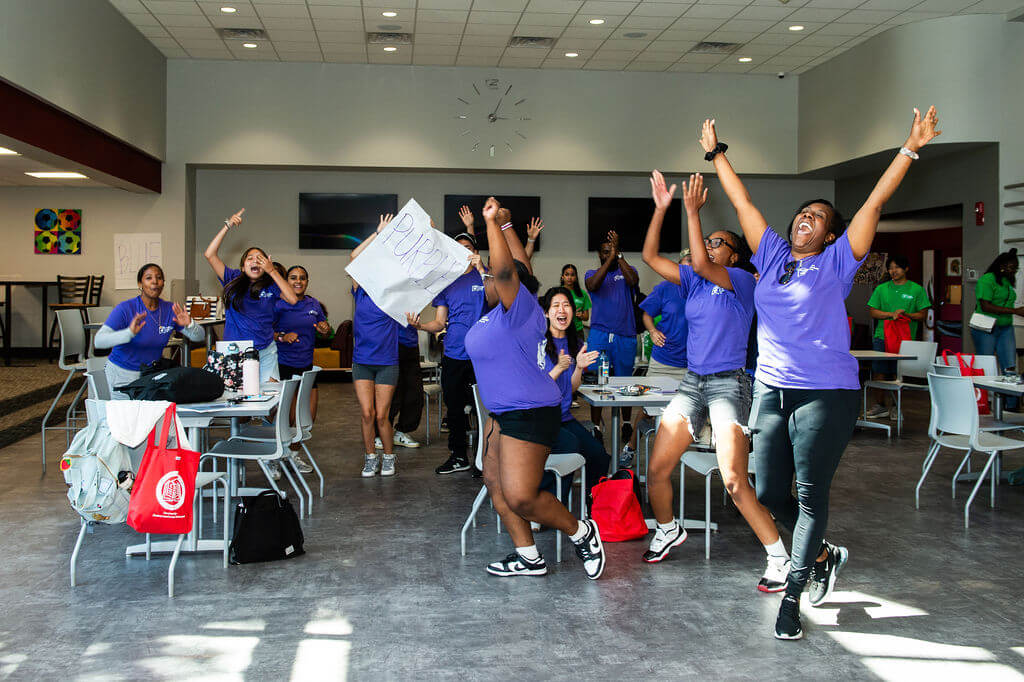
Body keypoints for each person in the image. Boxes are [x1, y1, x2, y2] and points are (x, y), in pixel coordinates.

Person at [702, 107, 942, 639]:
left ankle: (794, 595)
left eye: (817, 216)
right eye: (802, 213)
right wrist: (718, 155)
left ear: (832, 234)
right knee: (766, 492)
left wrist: (910, 146)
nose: (804, 219)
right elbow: (741, 202)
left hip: (825, 393)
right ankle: (825, 553)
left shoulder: (838, 261)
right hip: (770, 389)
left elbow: (875, 200)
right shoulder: (772, 252)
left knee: (810, 496)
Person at [641, 171, 788, 594]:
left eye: (718, 242)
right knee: (657, 468)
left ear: (735, 256)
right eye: (707, 241)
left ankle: (779, 556)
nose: (708, 247)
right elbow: (651, 255)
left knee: (734, 479)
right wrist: (662, 209)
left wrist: (692, 211)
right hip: (692, 382)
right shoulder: (693, 282)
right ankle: (668, 529)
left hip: (728, 384)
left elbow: (702, 262)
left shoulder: (742, 283)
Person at [465, 197, 605, 579]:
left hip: (530, 412)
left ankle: (582, 531)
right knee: (496, 487)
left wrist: (493, 224)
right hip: (501, 415)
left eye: (491, 276)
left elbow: (510, 271)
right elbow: (514, 269)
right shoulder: (491, 317)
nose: (487, 280)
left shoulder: (521, 309)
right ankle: (528, 556)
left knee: (522, 496)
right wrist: (509, 227)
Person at [408, 219, 488, 475]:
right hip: (453, 353)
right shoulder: (447, 282)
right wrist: (420, 326)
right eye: (459, 247)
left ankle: (484, 458)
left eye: (468, 247)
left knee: (482, 408)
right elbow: (440, 322)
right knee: (454, 410)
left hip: (482, 356)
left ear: (475, 251)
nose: (464, 251)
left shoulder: (486, 277)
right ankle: (458, 456)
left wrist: (483, 268)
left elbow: (498, 299)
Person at [204, 208, 298, 383]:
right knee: (238, 402)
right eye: (250, 258)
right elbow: (209, 254)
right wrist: (228, 225)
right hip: (236, 351)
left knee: (271, 400)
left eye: (260, 259)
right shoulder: (231, 279)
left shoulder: (271, 284)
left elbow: (292, 299)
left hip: (266, 350)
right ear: (242, 267)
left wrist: (272, 272)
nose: (255, 261)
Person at [618, 252, 691, 467]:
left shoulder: (702, 287)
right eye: (685, 265)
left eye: (694, 265)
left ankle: (677, 458)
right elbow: (646, 314)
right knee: (648, 410)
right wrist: (651, 331)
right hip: (664, 361)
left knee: (689, 414)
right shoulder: (665, 288)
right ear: (678, 267)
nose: (689, 270)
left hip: (692, 365)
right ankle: (630, 448)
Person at [537, 286, 609, 501]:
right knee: (571, 446)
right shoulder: (537, 343)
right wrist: (558, 367)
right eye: (556, 305)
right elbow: (534, 387)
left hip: (564, 417)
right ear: (547, 313)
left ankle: (592, 503)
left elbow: (572, 388)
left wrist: (578, 367)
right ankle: (547, 505)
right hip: (541, 418)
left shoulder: (574, 343)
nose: (562, 310)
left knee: (598, 455)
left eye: (566, 305)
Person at [95, 263, 204, 398]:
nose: (154, 281)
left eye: (159, 278)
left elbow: (199, 337)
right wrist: (128, 333)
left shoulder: (170, 310)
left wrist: (190, 325)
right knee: (125, 418)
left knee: (149, 417)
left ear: (163, 284)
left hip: (149, 377)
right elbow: (98, 341)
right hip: (121, 375)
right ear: (140, 283)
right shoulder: (125, 308)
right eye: (148, 278)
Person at [350, 214, 401, 477]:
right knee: (367, 414)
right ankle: (370, 456)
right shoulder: (360, 289)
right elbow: (354, 256)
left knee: (382, 415)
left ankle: (389, 457)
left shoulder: (395, 296)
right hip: (362, 361)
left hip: (387, 362)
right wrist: (378, 234)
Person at [273, 265, 332, 473]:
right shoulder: (278, 304)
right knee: (286, 418)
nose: (298, 281)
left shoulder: (313, 304)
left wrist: (325, 329)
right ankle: (277, 456)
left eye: (303, 278)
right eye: (293, 278)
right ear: (286, 281)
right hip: (283, 366)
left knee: (306, 418)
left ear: (307, 281)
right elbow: (265, 332)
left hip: (307, 367)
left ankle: (293, 455)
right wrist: (282, 336)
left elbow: (325, 329)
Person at [586, 230, 639, 441]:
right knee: (596, 381)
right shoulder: (592, 273)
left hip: (625, 335)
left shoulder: (627, 270)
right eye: (605, 252)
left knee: (625, 381)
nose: (609, 254)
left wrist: (618, 256)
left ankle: (626, 423)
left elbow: (633, 281)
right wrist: (610, 258)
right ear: (599, 254)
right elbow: (593, 286)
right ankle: (596, 428)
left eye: (612, 251)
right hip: (599, 334)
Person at [865, 255, 932, 418]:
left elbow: (923, 314)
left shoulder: (916, 289)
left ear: (906, 269)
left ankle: (896, 407)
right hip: (882, 336)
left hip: (905, 338)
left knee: (898, 373)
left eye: (897, 267)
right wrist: (891, 314)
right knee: (879, 371)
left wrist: (907, 314)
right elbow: (873, 311)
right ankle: (880, 406)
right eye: (890, 268)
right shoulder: (882, 289)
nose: (893, 271)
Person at [972, 249, 1024, 379]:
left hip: (1006, 327)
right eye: (1011, 268)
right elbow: (986, 306)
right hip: (986, 328)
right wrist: (1015, 311)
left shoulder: (1007, 281)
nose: (1013, 271)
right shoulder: (987, 280)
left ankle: (1011, 399)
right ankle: (986, 398)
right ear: (1001, 266)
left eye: (1015, 269)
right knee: (986, 365)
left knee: (1010, 366)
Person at [384, 322, 424, 449]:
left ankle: (402, 432)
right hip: (390, 343)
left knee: (414, 393)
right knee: (392, 393)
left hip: (410, 343)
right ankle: (380, 434)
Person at [560, 264, 591, 338]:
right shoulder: (557, 292)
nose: (569, 277)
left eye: (572, 275)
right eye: (567, 275)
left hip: (578, 331)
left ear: (576, 277)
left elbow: (586, 317)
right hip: (562, 330)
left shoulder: (582, 294)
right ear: (562, 277)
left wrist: (581, 315)